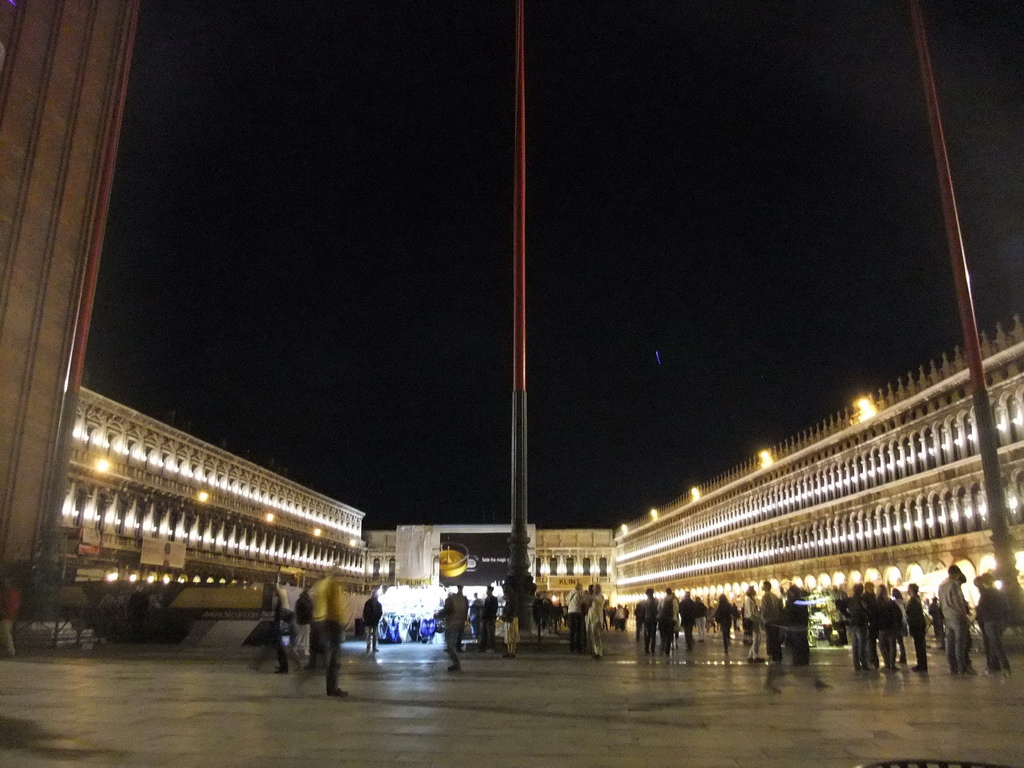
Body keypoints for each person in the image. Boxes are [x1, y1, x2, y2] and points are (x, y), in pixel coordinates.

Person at [938, 565, 972, 675]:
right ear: (955, 574)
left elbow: (941, 602)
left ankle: (952, 667)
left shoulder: (941, 585)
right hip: (957, 616)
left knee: (950, 644)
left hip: (947, 616)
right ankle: (962, 667)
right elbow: (958, 602)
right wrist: (964, 616)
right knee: (959, 644)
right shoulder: (954, 584)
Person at [974, 573, 1010, 676]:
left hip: (990, 621)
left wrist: (979, 614)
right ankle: (993, 666)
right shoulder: (1000, 593)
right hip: (1000, 621)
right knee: (995, 644)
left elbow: (981, 608)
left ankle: (1005, 666)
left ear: (984, 582)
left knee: (996, 645)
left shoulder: (985, 594)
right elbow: (1006, 608)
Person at [323, 571, 349, 696]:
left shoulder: (330, 586)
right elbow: (336, 607)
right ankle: (332, 688)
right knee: (335, 657)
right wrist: (340, 621)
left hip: (331, 622)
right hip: (334, 623)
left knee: (333, 656)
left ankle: (331, 687)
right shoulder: (334, 587)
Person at [442, 585, 469, 671]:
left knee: (450, 644)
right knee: (452, 643)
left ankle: (456, 663)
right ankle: (456, 662)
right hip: (459, 623)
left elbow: (446, 611)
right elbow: (465, 611)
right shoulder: (463, 600)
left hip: (451, 624)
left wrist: (437, 615)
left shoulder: (451, 599)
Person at [875, 585, 901, 672]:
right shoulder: (890, 601)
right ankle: (892, 664)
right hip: (892, 626)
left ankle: (887, 663)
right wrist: (897, 622)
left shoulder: (877, 602)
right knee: (892, 645)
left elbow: (874, 615)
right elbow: (898, 613)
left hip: (882, 627)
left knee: (882, 645)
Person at [784, 584, 810, 666]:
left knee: (796, 645)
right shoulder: (802, 602)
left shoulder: (791, 603)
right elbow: (806, 614)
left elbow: (788, 614)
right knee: (804, 643)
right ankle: (805, 660)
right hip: (803, 626)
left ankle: (797, 661)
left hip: (794, 627)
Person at [846, 583, 870, 671]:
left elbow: (840, 605)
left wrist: (848, 615)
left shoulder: (851, 599)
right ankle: (863, 663)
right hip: (860, 624)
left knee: (855, 645)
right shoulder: (861, 599)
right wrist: (866, 614)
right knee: (862, 645)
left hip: (853, 624)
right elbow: (865, 609)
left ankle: (856, 665)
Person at [905, 583, 928, 672]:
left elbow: (912, 613)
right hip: (918, 624)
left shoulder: (913, 600)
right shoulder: (916, 599)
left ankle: (922, 665)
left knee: (919, 646)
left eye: (908, 589)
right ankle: (921, 664)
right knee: (919, 645)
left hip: (917, 625)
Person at [760, 582, 783, 663]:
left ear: (766, 587)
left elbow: (764, 611)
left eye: (763, 586)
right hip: (776, 620)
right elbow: (780, 607)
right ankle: (779, 656)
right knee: (776, 639)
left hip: (769, 621)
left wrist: (763, 620)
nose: (762, 587)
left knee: (771, 639)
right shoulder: (775, 596)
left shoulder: (765, 597)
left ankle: (774, 656)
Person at [743, 585, 764, 663]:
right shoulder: (749, 600)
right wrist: (758, 616)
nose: (755, 591)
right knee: (756, 639)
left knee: (757, 639)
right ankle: (755, 656)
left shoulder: (752, 599)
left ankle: (751, 656)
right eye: (753, 590)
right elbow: (751, 613)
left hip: (755, 620)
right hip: (753, 621)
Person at [0, 578, 20, 657]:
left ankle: (10, 651)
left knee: (4, 629)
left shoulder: (12, 594)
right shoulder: (7, 594)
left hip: (7, 618)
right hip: (6, 617)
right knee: (4, 629)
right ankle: (9, 650)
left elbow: (11, 608)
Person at [294, 587, 313, 664]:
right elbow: (310, 610)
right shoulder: (308, 601)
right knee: (306, 636)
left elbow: (297, 610)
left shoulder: (299, 600)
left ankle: (295, 647)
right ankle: (306, 650)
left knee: (301, 634)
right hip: (307, 620)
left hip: (300, 620)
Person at [863, 582, 880, 670]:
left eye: (872, 587)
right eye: (870, 588)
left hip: (876, 622)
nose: (872, 589)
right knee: (871, 643)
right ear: (866, 588)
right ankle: (873, 661)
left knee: (874, 643)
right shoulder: (865, 598)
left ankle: (875, 661)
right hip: (870, 622)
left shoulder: (874, 596)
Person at [587, 584, 607, 659]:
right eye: (593, 588)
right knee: (593, 635)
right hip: (592, 618)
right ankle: (595, 651)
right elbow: (590, 607)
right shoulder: (593, 597)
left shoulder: (600, 596)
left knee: (597, 635)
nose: (594, 590)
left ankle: (599, 651)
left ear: (599, 589)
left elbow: (599, 603)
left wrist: (593, 597)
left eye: (595, 588)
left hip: (597, 618)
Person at [566, 583, 585, 655]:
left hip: (570, 613)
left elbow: (567, 602)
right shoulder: (578, 594)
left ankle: (572, 647)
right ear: (579, 588)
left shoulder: (570, 593)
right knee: (578, 631)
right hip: (577, 612)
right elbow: (581, 602)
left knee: (572, 631)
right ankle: (578, 648)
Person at [362, 590, 383, 654]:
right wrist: (366, 619)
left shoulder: (378, 604)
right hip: (370, 621)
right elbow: (365, 612)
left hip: (374, 621)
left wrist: (377, 619)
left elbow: (380, 613)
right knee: (369, 634)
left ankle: (373, 647)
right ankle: (369, 646)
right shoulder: (368, 603)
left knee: (374, 635)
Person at [892, 587, 908, 665]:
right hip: (903, 622)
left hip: (898, 623)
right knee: (901, 641)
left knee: (897, 640)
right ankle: (903, 656)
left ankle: (901, 657)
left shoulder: (895, 603)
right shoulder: (903, 602)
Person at [658, 588, 677, 656]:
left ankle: (662, 646)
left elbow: (659, 608)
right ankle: (667, 649)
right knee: (670, 634)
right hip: (671, 619)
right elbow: (676, 609)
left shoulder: (663, 599)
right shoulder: (673, 600)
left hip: (663, 618)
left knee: (664, 634)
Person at [480, 586, 499, 652]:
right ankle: (486, 647)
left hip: (490, 618)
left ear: (490, 591)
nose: (487, 592)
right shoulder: (487, 599)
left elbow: (494, 609)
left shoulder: (493, 599)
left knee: (490, 633)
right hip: (486, 618)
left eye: (488, 590)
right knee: (485, 633)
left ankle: (491, 647)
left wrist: (491, 617)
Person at [501, 592, 520, 658]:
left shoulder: (511, 604)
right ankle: (510, 651)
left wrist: (504, 616)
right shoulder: (512, 603)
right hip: (510, 620)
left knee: (511, 637)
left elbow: (509, 611)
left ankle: (511, 652)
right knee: (510, 637)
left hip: (511, 620)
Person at [642, 588, 659, 655]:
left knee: (648, 634)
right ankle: (652, 649)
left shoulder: (645, 602)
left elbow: (644, 611)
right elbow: (657, 610)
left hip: (648, 619)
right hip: (653, 619)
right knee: (653, 634)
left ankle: (647, 648)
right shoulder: (655, 601)